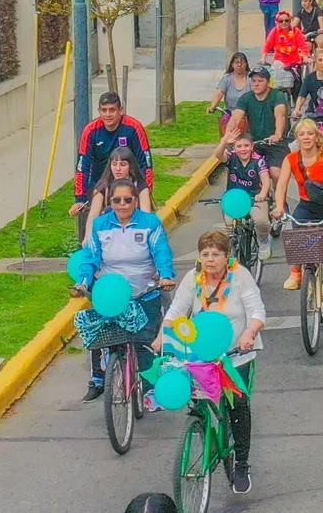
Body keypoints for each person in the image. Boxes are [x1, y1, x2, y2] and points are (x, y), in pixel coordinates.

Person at [154, 230, 265, 494]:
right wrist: (162, 334)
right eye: (205, 254)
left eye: (216, 254)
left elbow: (257, 310)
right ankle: (200, 423)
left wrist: (250, 332)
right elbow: (176, 310)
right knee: (197, 398)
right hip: (200, 353)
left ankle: (241, 463)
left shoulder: (240, 277)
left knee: (237, 404)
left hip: (236, 354)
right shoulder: (193, 279)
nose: (210, 259)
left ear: (227, 257)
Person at [73, 179, 174, 403]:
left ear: (136, 201)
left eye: (127, 200)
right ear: (110, 202)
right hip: (112, 296)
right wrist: (82, 282)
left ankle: (149, 391)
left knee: (143, 346)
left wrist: (165, 275)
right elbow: (90, 258)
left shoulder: (151, 223)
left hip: (144, 292)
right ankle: (110, 369)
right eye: (116, 200)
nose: (122, 205)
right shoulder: (100, 225)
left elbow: (162, 252)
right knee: (109, 340)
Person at [273, 118, 323, 300]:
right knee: (297, 233)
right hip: (306, 206)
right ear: (297, 139)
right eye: (302, 134)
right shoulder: (291, 159)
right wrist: (279, 207)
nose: (306, 137)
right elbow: (281, 185)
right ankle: (296, 271)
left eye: (310, 133)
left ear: (317, 137)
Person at [71, 92, 153, 243]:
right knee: (96, 218)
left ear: (120, 110)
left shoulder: (134, 127)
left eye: (112, 110)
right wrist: (80, 198)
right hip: (100, 182)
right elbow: (82, 166)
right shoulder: (90, 131)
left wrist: (145, 190)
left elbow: (146, 164)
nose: (108, 114)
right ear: (99, 111)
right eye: (104, 110)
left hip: (130, 183)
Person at [214, 128, 272, 260]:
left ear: (252, 146)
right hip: (235, 198)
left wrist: (262, 194)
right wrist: (224, 142)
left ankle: (263, 241)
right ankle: (227, 254)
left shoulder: (258, 161)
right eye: (239, 146)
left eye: (246, 145)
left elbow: (265, 179)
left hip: (254, 198)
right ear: (234, 148)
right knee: (229, 225)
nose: (243, 149)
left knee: (261, 221)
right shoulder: (231, 158)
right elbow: (218, 155)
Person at [81, 146, 153, 250]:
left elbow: (147, 216)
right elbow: (93, 215)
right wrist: (88, 237)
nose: (117, 168)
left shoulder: (140, 186)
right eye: (114, 164)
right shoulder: (102, 187)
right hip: (108, 234)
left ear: (130, 166)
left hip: (134, 232)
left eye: (123, 164)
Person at [227, 67, 290, 184]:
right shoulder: (246, 98)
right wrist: (227, 136)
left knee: (276, 173)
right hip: (255, 144)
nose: (256, 84)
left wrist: (277, 135)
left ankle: (280, 200)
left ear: (267, 82)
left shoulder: (277, 96)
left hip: (275, 144)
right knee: (246, 170)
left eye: (260, 81)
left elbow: (280, 115)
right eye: (254, 81)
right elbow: (235, 118)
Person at [260, 11, 311, 98]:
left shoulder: (296, 31)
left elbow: (303, 46)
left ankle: (295, 103)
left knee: (298, 83)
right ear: (278, 22)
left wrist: (306, 57)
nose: (284, 23)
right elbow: (267, 46)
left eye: (286, 20)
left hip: (294, 63)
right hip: (279, 63)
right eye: (281, 21)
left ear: (290, 21)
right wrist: (263, 58)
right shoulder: (275, 31)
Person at [207, 52, 251, 127]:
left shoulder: (251, 78)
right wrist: (213, 106)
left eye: (242, 62)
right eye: (237, 62)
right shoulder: (227, 79)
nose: (239, 65)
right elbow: (219, 93)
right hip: (230, 114)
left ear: (246, 64)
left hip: (248, 115)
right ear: (232, 64)